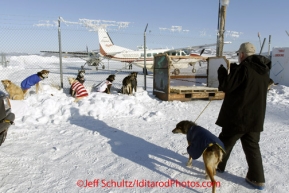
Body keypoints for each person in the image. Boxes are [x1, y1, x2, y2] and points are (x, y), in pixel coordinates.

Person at [216, 42, 271, 190]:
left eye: (238, 55)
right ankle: (257, 179)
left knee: (224, 142)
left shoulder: (244, 68)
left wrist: (222, 72)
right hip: (255, 118)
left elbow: (226, 86)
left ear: (242, 54)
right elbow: (246, 86)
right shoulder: (263, 71)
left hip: (239, 117)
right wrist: (235, 70)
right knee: (252, 147)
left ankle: (216, 166)